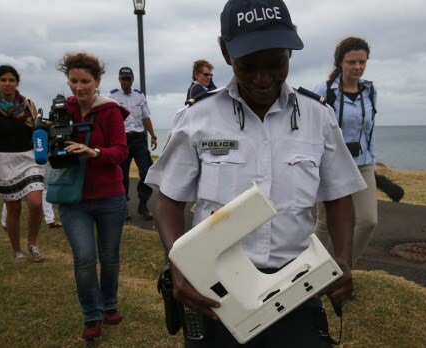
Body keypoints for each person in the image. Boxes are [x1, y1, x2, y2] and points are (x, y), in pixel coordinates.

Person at [145, 1, 366, 346]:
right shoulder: (197, 118)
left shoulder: (317, 117)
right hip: (216, 292)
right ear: (226, 53)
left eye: (276, 63)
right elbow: (168, 201)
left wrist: (342, 261)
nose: (263, 78)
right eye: (248, 66)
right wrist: (180, 266)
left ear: (290, 53)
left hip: (297, 285)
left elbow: (338, 196)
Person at [55, 52, 129, 341]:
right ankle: (92, 315)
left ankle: (109, 304)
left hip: (111, 196)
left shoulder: (110, 110)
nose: (79, 87)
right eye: (73, 80)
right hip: (73, 198)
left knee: (109, 257)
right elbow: (50, 153)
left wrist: (94, 152)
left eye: (85, 81)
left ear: (98, 81)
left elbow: (122, 151)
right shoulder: (62, 110)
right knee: (84, 257)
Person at [313, 37, 379, 266]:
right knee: (324, 222)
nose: (357, 67)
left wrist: (373, 161)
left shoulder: (370, 91)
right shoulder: (325, 91)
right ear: (340, 63)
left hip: (363, 163)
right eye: (352, 62)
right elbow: (313, 128)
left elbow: (369, 130)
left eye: (362, 61)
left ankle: (341, 270)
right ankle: (312, 273)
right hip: (331, 165)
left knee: (368, 221)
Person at [0, 65, 45, 262]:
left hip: (30, 158)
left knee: (35, 204)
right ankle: (17, 251)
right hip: (5, 161)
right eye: (3, 80)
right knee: (14, 209)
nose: (7, 84)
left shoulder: (28, 104)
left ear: (17, 82)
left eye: (11, 80)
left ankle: (32, 244)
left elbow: (37, 131)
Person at [108, 67, 157, 221]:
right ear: (119, 79)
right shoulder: (112, 96)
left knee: (147, 172)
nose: (125, 81)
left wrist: (153, 136)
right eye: (123, 79)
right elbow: (108, 120)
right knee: (122, 176)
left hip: (139, 140)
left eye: (128, 79)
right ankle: (124, 207)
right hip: (121, 140)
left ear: (132, 80)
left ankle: (143, 204)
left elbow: (145, 117)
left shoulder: (139, 96)